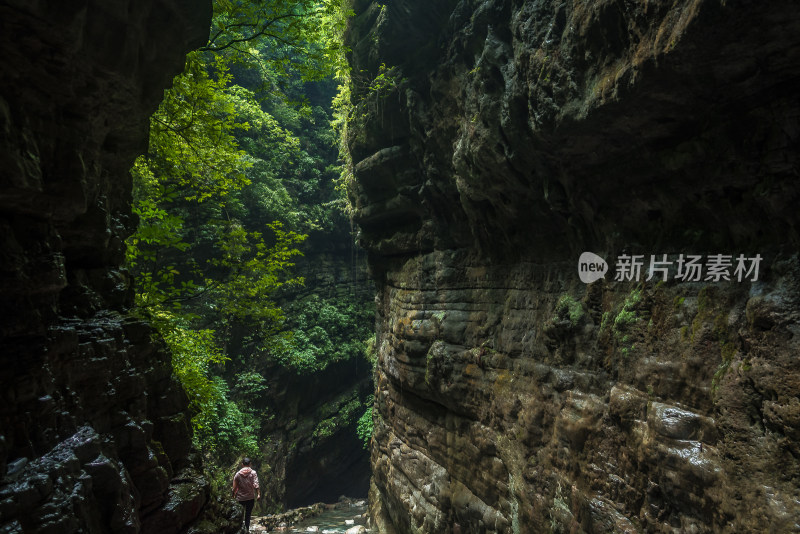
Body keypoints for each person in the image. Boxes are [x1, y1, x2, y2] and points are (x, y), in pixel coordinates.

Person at [232, 457, 261, 532]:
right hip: (250, 498)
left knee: (240, 515)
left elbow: (234, 488)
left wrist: (233, 496)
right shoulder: (253, 473)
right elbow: (256, 484)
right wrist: (258, 494)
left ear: (242, 465)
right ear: (250, 464)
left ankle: (240, 530)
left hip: (240, 498)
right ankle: (247, 530)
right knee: (248, 515)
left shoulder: (238, 474)